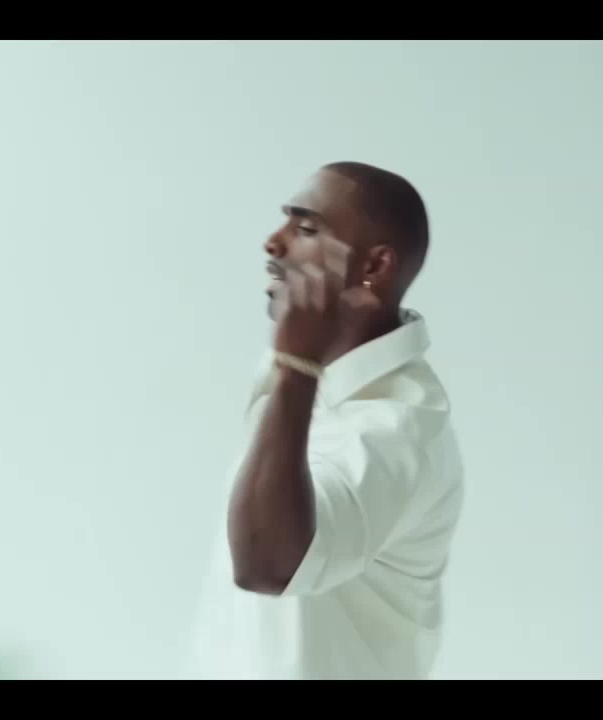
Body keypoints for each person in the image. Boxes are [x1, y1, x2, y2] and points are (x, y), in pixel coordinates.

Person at [190, 162, 464, 680]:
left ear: (374, 266)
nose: (274, 243)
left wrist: (297, 365)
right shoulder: (312, 384)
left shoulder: (398, 430)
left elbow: (268, 566)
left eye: (305, 227)